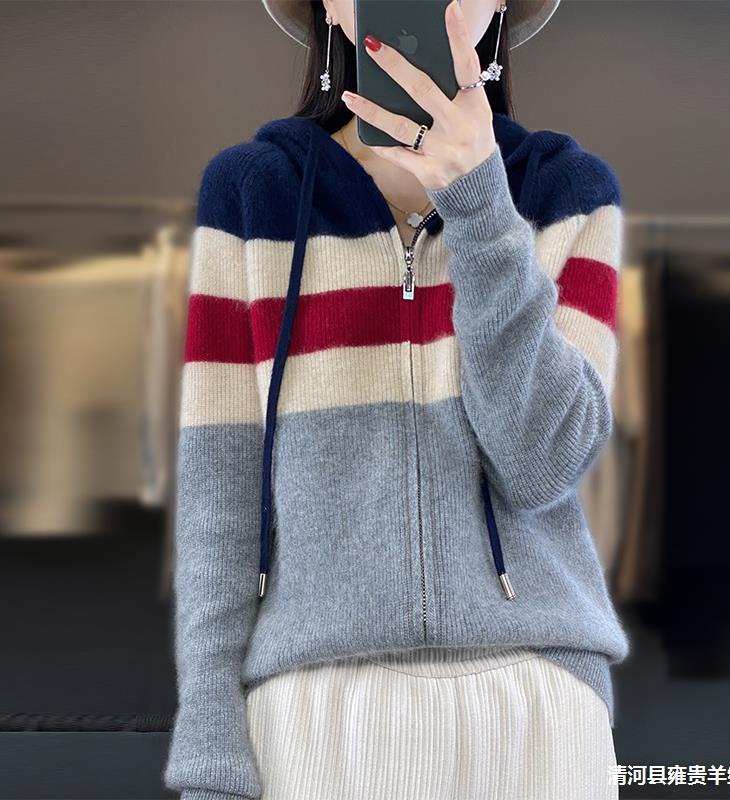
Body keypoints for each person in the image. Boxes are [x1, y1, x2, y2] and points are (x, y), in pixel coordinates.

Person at [163, 0, 631, 798]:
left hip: (534, 705)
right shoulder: (251, 193)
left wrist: (481, 205)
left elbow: (542, 463)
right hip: (311, 709)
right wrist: (209, 735)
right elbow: (220, 491)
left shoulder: (567, 192)